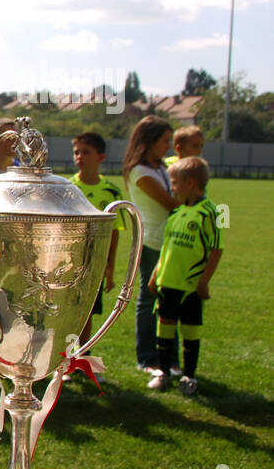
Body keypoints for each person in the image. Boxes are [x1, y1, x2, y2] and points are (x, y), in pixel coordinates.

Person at [147, 157, 222, 396]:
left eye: (175, 183)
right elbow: (167, 248)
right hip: (168, 281)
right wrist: (154, 275)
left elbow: (216, 249)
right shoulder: (177, 212)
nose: (173, 188)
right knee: (165, 325)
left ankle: (189, 376)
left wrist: (203, 281)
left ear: (191, 183)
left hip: (190, 286)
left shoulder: (209, 211)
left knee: (190, 330)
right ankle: (164, 372)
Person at [123, 116, 178, 373]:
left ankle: (169, 357)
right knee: (149, 298)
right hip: (152, 241)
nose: (168, 146)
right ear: (149, 141)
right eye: (165, 141)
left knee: (170, 298)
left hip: (169, 241)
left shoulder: (161, 168)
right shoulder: (140, 171)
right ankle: (147, 357)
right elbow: (169, 203)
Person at [70, 131, 124, 354]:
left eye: (86, 152)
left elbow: (114, 232)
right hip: (69, 262)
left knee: (87, 312)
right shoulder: (67, 188)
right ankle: (63, 361)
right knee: (66, 312)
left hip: (94, 263)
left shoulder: (111, 192)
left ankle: (82, 357)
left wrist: (110, 268)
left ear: (101, 157)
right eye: (76, 152)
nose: (79, 157)